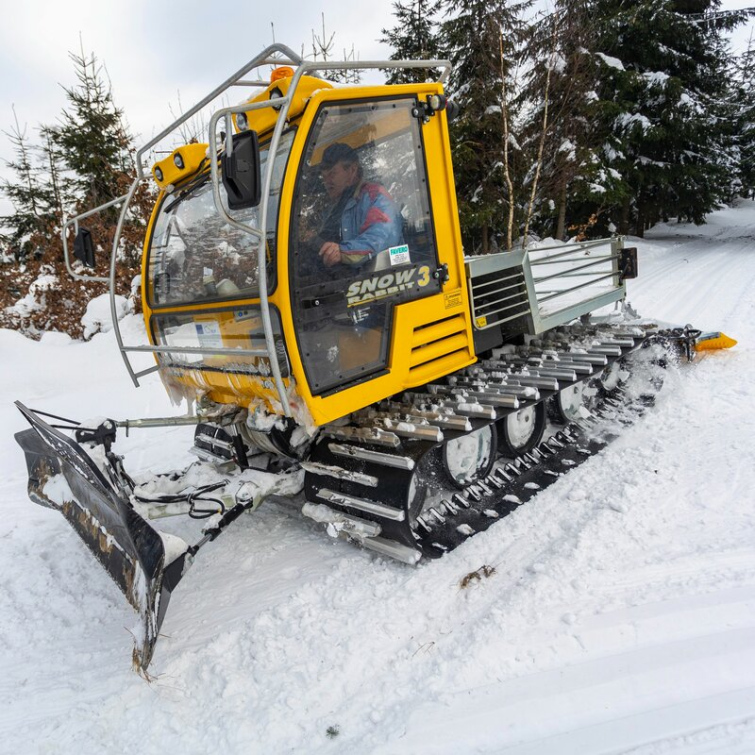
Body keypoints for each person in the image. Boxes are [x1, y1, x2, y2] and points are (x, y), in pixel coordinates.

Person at [311, 143, 403, 271]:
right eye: (324, 177)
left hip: (380, 280)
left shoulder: (374, 196)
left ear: (352, 170)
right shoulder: (331, 209)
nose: (327, 182)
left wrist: (342, 252)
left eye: (332, 174)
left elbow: (381, 237)